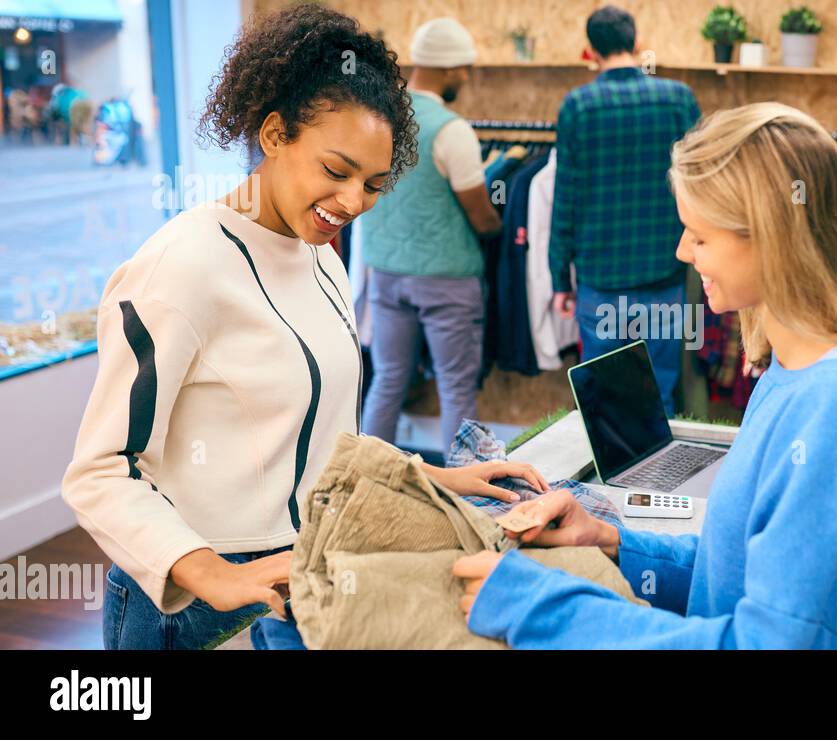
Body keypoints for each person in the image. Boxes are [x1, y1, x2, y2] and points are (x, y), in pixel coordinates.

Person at [61, 5, 546, 651]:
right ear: (272, 134)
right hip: (186, 601)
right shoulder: (180, 268)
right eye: (336, 171)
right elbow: (100, 471)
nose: (352, 202)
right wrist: (206, 572)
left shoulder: (320, 254)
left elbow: (323, 442)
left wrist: (433, 476)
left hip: (297, 578)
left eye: (374, 184)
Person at [453, 103, 837, 649]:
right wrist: (614, 542)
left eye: (699, 236)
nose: (683, 251)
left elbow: (767, 642)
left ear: (771, 240)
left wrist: (542, 609)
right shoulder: (789, 370)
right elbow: (737, 576)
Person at [549, 5, 700, 415]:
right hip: (665, 277)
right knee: (661, 396)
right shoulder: (678, 99)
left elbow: (566, 200)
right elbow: (703, 186)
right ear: (636, 44)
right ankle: (663, 479)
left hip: (601, 283)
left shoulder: (578, 106)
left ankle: (609, 481)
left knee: (606, 405)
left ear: (591, 51)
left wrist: (560, 278)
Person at [360, 17, 502, 454]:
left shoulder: (378, 120)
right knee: (456, 388)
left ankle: (363, 481)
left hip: (385, 274)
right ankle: (466, 498)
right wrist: (499, 226)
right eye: (464, 69)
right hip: (446, 279)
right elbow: (480, 216)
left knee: (387, 380)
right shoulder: (451, 129)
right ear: (449, 68)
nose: (466, 77)